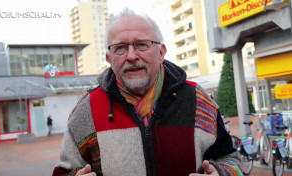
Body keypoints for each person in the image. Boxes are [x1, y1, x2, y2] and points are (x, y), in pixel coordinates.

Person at [53, 9, 242, 176]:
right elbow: (64, 171)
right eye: (120, 48)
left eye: (141, 44)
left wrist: (222, 172)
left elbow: (231, 158)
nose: (131, 56)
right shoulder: (87, 109)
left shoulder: (198, 100)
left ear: (161, 53)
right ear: (109, 59)